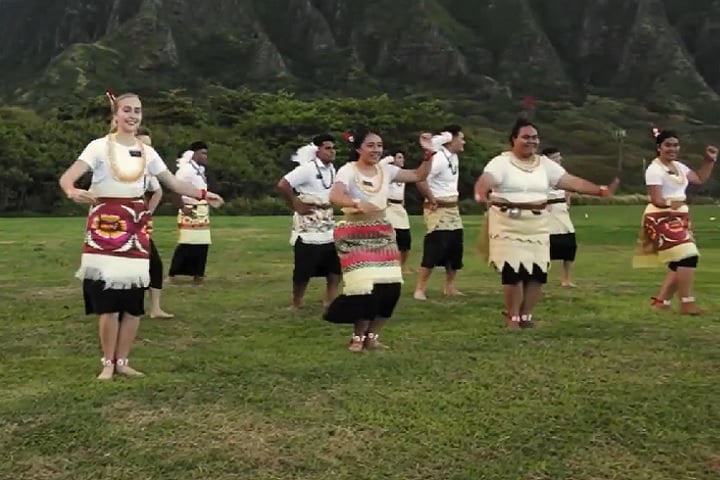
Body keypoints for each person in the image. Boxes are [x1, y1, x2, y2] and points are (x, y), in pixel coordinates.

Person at [58, 91, 224, 380]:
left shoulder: (147, 152)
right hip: (104, 228)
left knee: (133, 302)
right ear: (116, 114)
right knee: (108, 303)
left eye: (137, 111)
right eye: (127, 110)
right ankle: (107, 363)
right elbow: (67, 178)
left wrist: (202, 193)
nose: (133, 115)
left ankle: (123, 361)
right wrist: (72, 192)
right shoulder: (98, 147)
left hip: (136, 228)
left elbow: (171, 182)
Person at [475, 118, 618, 330]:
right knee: (513, 272)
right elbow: (486, 179)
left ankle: (526, 315)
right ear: (514, 139)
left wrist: (599, 190)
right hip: (508, 223)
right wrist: (480, 192)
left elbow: (572, 181)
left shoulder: (545, 164)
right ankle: (513, 317)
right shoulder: (501, 162)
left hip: (538, 224)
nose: (531, 141)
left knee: (537, 273)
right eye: (526, 137)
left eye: (534, 137)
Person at [323, 130, 433, 352]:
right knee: (364, 288)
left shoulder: (387, 170)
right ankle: (357, 337)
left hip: (382, 234)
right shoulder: (348, 170)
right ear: (358, 149)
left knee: (390, 288)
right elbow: (335, 195)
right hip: (355, 234)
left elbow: (418, 175)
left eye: (379, 145)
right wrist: (354, 203)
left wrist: (429, 154)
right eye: (370, 145)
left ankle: (372, 337)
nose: (376, 150)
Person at [632, 128, 717, 315]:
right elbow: (656, 199)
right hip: (660, 216)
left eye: (675, 145)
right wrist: (673, 203)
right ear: (659, 147)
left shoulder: (679, 167)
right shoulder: (654, 169)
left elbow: (699, 179)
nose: (672, 149)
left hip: (679, 216)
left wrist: (709, 161)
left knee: (680, 260)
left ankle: (662, 301)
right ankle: (686, 303)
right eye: (668, 145)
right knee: (688, 256)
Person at [276, 134, 341, 311]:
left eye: (333, 148)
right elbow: (283, 184)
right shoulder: (307, 169)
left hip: (327, 225)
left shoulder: (332, 169)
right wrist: (296, 204)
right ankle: (296, 302)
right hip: (308, 227)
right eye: (327, 148)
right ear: (317, 150)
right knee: (303, 269)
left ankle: (330, 299)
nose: (332, 151)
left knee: (335, 268)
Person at [413, 125, 466, 300]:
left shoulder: (454, 157)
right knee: (435, 247)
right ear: (452, 139)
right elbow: (420, 179)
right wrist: (431, 198)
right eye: (461, 138)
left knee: (455, 247)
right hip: (438, 209)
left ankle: (449, 286)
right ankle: (420, 288)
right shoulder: (438, 158)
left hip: (453, 209)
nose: (463, 142)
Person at [135, 127, 174, 318]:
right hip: (120, 225)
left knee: (154, 264)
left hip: (139, 225)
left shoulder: (148, 171)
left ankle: (155, 308)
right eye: (143, 146)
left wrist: (148, 212)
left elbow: (158, 190)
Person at [167, 141, 216, 285]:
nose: (205, 156)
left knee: (202, 243)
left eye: (206, 153)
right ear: (194, 153)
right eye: (202, 153)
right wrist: (182, 207)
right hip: (189, 208)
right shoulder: (186, 170)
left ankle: (198, 274)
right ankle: (173, 274)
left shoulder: (200, 169)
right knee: (187, 242)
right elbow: (175, 188)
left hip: (201, 209)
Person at [542, 147, 577, 287]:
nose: (559, 159)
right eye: (556, 157)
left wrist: (567, 201)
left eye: (559, 156)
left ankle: (566, 279)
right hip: (546, 211)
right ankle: (540, 278)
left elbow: (569, 187)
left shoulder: (562, 173)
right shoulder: (540, 173)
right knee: (546, 245)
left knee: (569, 244)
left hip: (561, 211)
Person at [380, 150, 412, 272]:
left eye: (402, 157)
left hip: (400, 208)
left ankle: (403, 266)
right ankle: (388, 264)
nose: (402, 160)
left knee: (406, 239)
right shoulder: (386, 171)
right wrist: (388, 160)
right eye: (399, 157)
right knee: (391, 237)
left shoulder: (402, 174)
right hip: (389, 207)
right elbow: (378, 167)